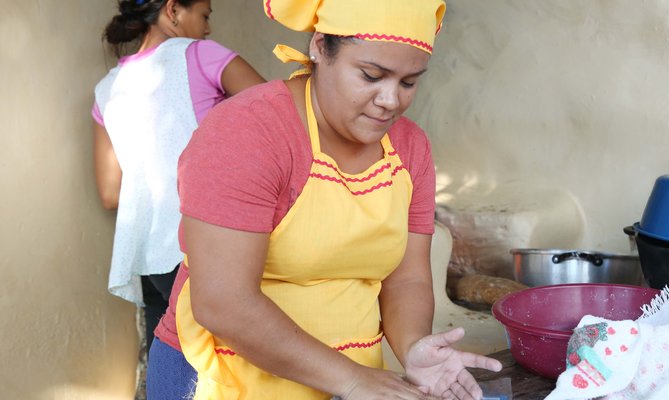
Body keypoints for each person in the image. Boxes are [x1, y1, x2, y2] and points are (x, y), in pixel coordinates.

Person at [148, 0, 502, 398]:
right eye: (371, 75)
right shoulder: (248, 133)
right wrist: (350, 379)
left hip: (349, 379)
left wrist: (413, 346)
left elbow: (408, 278)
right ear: (319, 46)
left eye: (408, 82)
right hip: (224, 374)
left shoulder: (409, 148)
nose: (390, 100)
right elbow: (224, 302)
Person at [92, 0, 265, 356]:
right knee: (225, 369)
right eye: (204, 15)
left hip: (147, 256)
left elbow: (110, 193)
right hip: (202, 244)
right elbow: (277, 122)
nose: (208, 28)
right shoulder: (200, 55)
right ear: (173, 10)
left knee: (169, 367)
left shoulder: (107, 89)